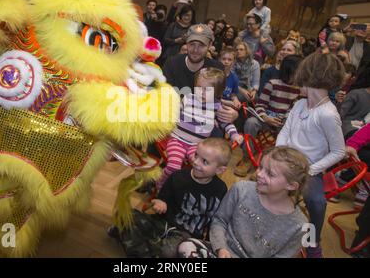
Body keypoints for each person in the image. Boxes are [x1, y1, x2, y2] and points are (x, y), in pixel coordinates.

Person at [177, 146, 309, 258]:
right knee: (186, 247)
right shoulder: (241, 190)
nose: (259, 174)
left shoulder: (299, 226)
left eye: (270, 174)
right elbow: (219, 221)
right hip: (220, 252)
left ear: (291, 185)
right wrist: (221, 249)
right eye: (260, 167)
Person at [276, 53, 346, 258]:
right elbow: (285, 131)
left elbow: (339, 151)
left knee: (317, 202)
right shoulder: (299, 104)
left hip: (310, 170)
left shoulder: (327, 113)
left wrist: (311, 169)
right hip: (286, 161)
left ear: (309, 76)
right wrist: (279, 154)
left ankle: (312, 242)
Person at [111, 138, 230, 258]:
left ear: (220, 170)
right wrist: (160, 203)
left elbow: (217, 221)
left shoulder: (220, 190)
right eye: (196, 155)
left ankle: (137, 244)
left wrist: (213, 246)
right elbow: (162, 199)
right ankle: (144, 247)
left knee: (171, 251)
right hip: (164, 224)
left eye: (205, 162)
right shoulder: (178, 177)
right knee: (125, 215)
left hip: (187, 238)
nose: (196, 162)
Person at [157, 67, 243, 190]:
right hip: (178, 141)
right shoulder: (187, 98)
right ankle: (162, 183)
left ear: (217, 92)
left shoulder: (216, 105)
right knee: (173, 166)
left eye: (207, 90)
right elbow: (172, 113)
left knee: (201, 169)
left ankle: (186, 189)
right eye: (199, 88)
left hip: (197, 146)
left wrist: (234, 135)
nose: (201, 93)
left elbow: (226, 123)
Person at [162, 24, 239, 126]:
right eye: (192, 44)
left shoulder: (217, 69)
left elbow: (216, 101)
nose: (195, 50)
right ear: (186, 43)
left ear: (210, 44)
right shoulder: (172, 63)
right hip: (173, 118)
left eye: (201, 45)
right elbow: (163, 97)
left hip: (202, 123)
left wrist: (231, 114)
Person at [238, 55, 302, 177]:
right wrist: (266, 117)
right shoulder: (272, 84)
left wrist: (284, 119)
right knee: (251, 123)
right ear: (289, 71)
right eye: (298, 72)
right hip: (265, 118)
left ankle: (274, 166)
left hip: (282, 123)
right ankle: (247, 158)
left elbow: (292, 110)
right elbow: (260, 105)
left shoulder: (298, 90)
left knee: (294, 130)